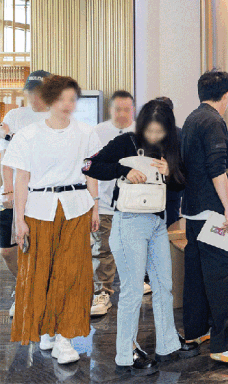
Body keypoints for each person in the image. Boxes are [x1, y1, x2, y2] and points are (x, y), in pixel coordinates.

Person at [84, 99, 198, 375]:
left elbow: (181, 183)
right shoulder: (125, 142)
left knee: (164, 286)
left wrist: (171, 173)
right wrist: (123, 170)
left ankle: (168, 344)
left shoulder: (171, 146)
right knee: (133, 291)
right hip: (129, 222)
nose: (155, 135)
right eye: (151, 130)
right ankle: (126, 353)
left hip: (158, 222)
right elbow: (89, 166)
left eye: (160, 131)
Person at [2, 75, 101, 364]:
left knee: (73, 274)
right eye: (62, 98)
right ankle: (47, 329)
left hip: (76, 207)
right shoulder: (28, 135)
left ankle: (65, 338)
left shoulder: (86, 133)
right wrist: (19, 219)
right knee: (40, 271)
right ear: (49, 100)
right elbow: (21, 179)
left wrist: (95, 207)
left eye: (72, 98)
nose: (68, 104)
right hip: (39, 208)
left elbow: (90, 172)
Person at [180, 70, 228, 366]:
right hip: (215, 212)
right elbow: (217, 169)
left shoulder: (192, 119)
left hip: (194, 211)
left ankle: (196, 331)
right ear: (226, 95)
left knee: (197, 275)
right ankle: (226, 345)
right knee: (227, 277)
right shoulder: (213, 121)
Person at [0, 69, 50, 318]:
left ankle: (34, 292)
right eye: (30, 91)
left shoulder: (57, 117)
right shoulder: (15, 116)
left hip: (43, 195)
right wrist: (8, 188)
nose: (34, 96)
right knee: (8, 250)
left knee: (39, 249)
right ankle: (25, 286)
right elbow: (6, 157)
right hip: (14, 193)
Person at [90, 90, 137, 317]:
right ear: (110, 110)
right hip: (105, 203)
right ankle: (102, 292)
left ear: (133, 110)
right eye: (118, 109)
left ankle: (137, 283)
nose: (122, 114)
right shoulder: (97, 132)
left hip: (135, 205)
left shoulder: (141, 133)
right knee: (103, 250)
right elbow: (88, 168)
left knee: (134, 247)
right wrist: (93, 202)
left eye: (127, 109)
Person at [154, 96, 184, 230]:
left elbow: (185, 167)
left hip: (171, 193)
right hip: (150, 194)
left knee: (170, 230)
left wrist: (170, 170)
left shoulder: (180, 135)